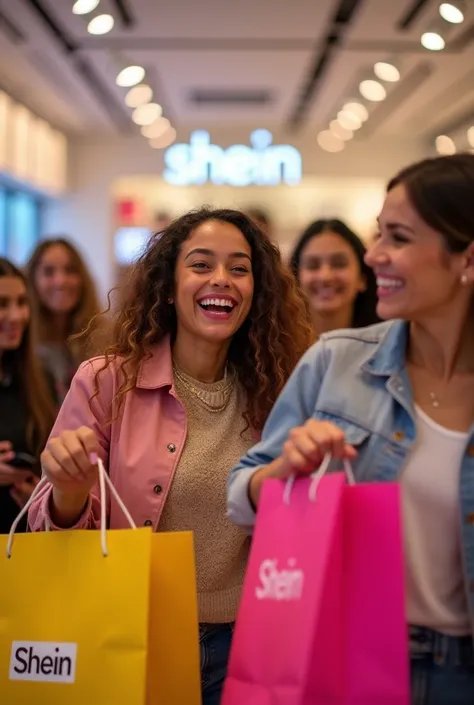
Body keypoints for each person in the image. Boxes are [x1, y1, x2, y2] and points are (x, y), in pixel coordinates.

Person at [28, 208, 313, 705]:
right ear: (167, 285)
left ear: (257, 291)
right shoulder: (106, 383)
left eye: (239, 268)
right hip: (133, 634)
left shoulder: (280, 393)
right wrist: (68, 493)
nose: (221, 279)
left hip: (249, 642)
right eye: (201, 265)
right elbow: (46, 530)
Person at [228, 154, 474, 704]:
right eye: (377, 234)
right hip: (354, 658)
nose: (374, 255)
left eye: (399, 237)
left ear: (466, 258)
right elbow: (240, 494)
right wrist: (284, 471)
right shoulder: (335, 362)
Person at [0, 258, 57, 534]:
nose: (16, 316)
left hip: (25, 544)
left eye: (22, 302)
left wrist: (39, 496)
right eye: (2, 304)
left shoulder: (38, 379)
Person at [27, 238, 100, 403]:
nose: (60, 281)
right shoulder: (22, 345)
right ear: (32, 280)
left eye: (70, 270)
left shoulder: (104, 340)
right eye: (48, 272)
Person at [289, 219, 379, 336]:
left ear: (362, 278)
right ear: (295, 278)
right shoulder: (278, 347)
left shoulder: (388, 346)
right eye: (313, 265)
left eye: (339, 264)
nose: (325, 277)